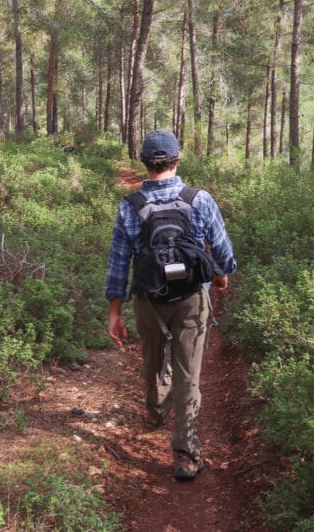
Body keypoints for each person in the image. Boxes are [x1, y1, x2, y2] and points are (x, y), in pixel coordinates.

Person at [105, 129, 237, 481]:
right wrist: (221, 276)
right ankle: (187, 456)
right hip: (192, 299)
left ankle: (155, 410)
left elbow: (119, 262)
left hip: (148, 300)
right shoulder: (200, 199)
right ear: (178, 159)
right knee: (188, 375)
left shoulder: (129, 207)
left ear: (145, 162)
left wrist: (115, 310)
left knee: (152, 360)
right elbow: (223, 252)